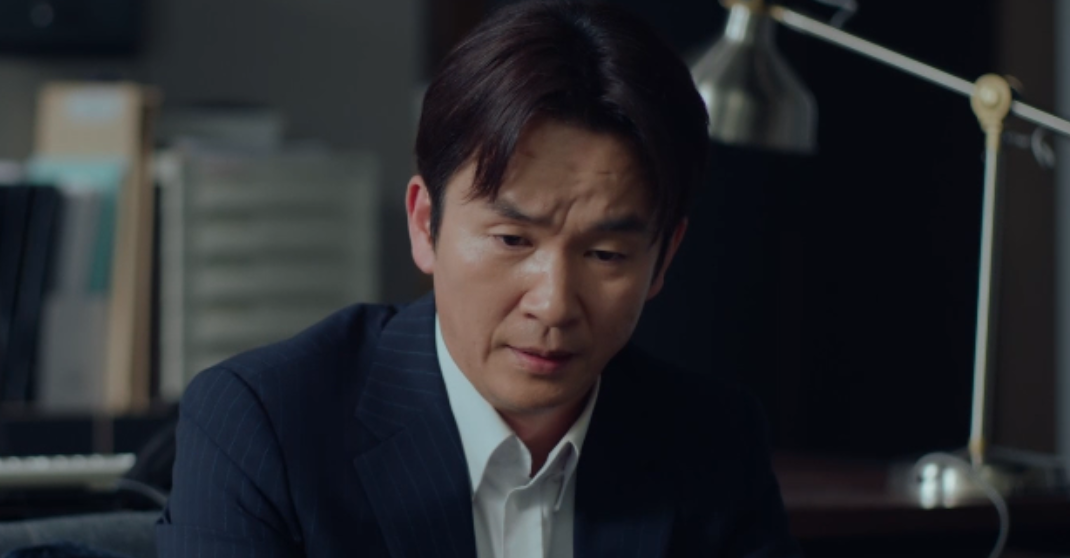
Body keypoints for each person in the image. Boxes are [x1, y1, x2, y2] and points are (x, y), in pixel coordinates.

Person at [156, 1, 801, 556]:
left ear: (664, 258)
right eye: (513, 240)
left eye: (606, 254)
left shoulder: (712, 444)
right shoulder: (265, 427)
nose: (553, 304)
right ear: (425, 224)